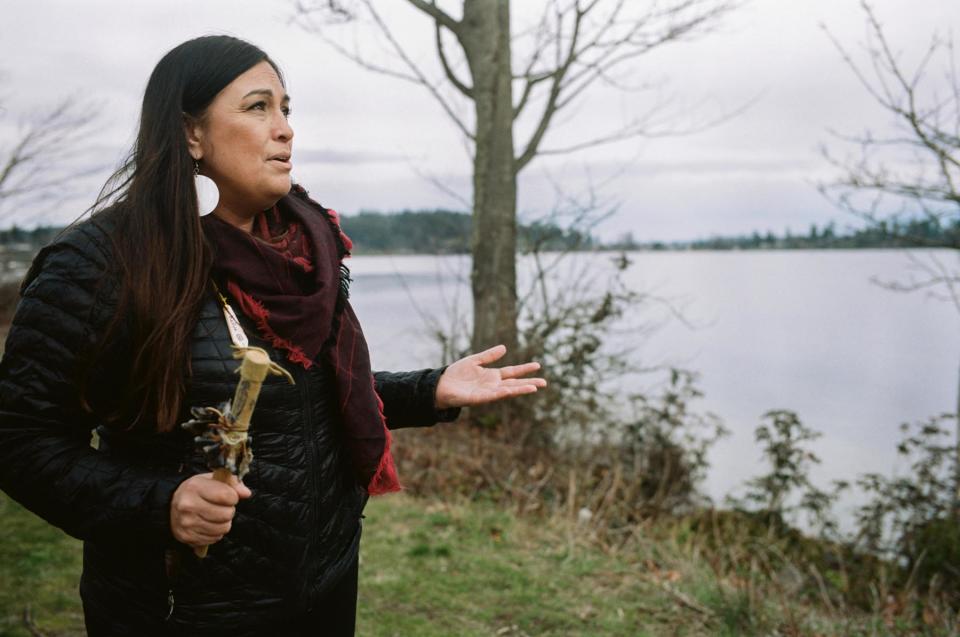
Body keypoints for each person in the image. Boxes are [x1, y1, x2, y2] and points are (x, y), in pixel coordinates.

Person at [0, 35, 545, 636]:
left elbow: (315, 401)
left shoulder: (304, 251)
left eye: (287, 109)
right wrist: (161, 505)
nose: (284, 128)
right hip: (186, 609)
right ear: (190, 133)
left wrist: (431, 389)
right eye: (259, 107)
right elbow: (21, 439)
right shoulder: (104, 264)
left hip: (325, 582)